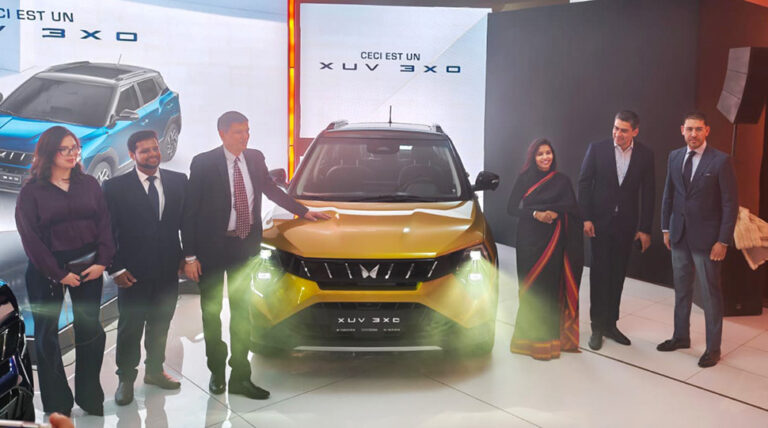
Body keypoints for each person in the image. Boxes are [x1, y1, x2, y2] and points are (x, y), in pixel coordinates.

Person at [182, 111, 330, 399]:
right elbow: (189, 212)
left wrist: (303, 211)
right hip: (211, 250)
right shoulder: (203, 163)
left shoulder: (254, 158)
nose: (245, 137)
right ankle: (216, 372)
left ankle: (240, 376)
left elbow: (271, 190)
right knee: (211, 314)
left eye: (247, 131)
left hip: (243, 249)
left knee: (242, 314)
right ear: (222, 133)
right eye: (239, 132)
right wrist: (189, 257)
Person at [15, 126, 114, 416]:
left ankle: (90, 395)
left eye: (76, 148)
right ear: (49, 152)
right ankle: (57, 402)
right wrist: (57, 274)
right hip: (46, 271)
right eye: (65, 149)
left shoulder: (89, 184)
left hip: (88, 267)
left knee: (91, 329)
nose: (73, 154)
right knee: (47, 336)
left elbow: (105, 224)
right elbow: (30, 238)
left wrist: (102, 262)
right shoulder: (31, 192)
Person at [103, 130, 188, 405]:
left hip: (168, 269)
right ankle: (126, 379)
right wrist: (115, 268)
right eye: (145, 150)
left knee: (161, 324)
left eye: (155, 148)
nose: (152, 154)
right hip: (132, 273)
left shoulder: (178, 181)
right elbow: (106, 231)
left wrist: (187, 257)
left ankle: (154, 371)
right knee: (130, 328)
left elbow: (185, 223)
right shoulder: (115, 187)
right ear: (132, 155)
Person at [658, 111, 738, 368]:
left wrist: (723, 241)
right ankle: (681, 337)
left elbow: (730, 204)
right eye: (689, 129)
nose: (693, 134)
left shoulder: (721, 161)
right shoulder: (674, 156)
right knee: (681, 289)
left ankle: (713, 348)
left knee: (711, 295)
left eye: (698, 129)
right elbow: (668, 194)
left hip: (708, 240)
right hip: (679, 235)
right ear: (682, 130)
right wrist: (666, 228)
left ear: (707, 131)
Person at [577, 110, 655, 350]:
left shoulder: (645, 155)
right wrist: (586, 217)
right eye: (615, 128)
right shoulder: (597, 149)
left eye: (623, 130)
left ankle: (611, 324)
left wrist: (645, 229)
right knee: (599, 275)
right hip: (599, 224)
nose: (617, 134)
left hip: (626, 225)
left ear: (635, 131)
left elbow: (649, 192)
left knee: (617, 275)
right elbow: (584, 183)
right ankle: (597, 327)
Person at [507, 138, 583, 360]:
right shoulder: (524, 178)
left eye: (548, 153)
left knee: (549, 290)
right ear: (533, 157)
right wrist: (536, 214)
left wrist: (556, 213)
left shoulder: (562, 180)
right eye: (540, 154)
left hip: (554, 241)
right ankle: (526, 341)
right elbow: (511, 208)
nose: (545, 157)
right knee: (531, 289)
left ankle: (549, 342)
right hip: (529, 241)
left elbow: (573, 209)